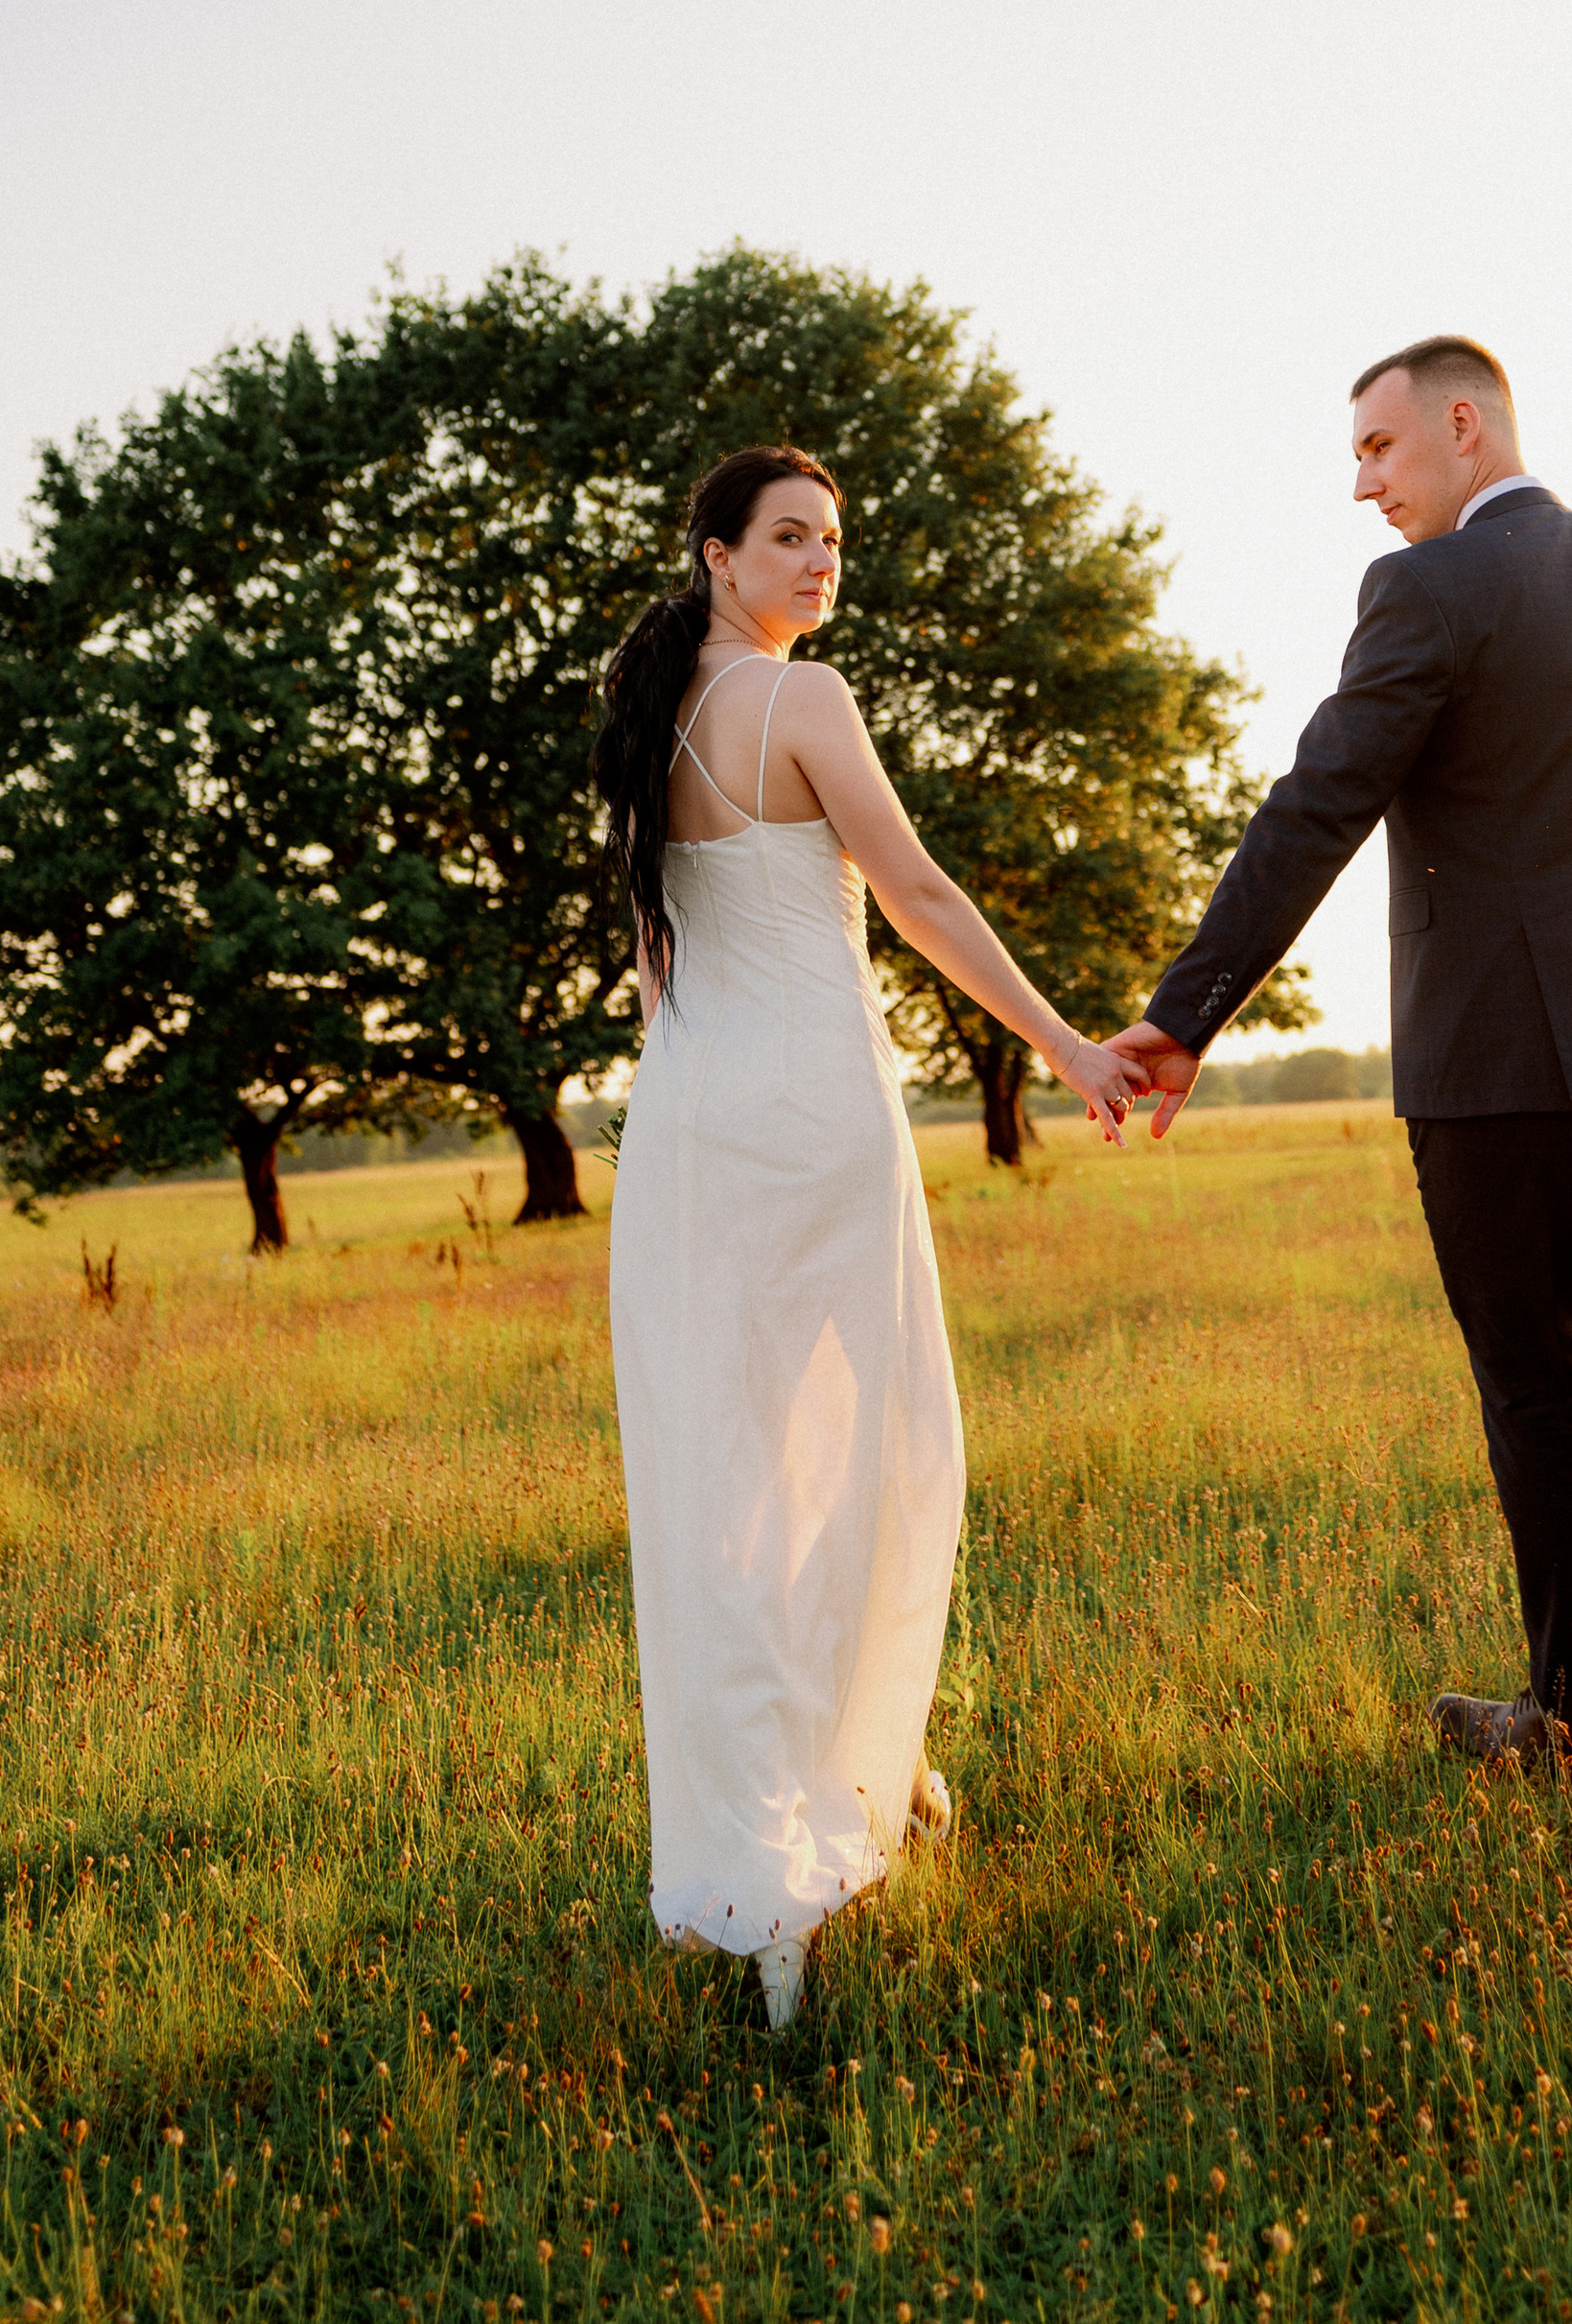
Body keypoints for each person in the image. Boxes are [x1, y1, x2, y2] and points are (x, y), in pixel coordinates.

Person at [1110, 340, 1572, 1865]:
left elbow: (1318, 806)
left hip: (1497, 1080)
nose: (1364, 485)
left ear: (1463, 424)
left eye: (1378, 447)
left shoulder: (1426, 591)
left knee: (1539, 1395)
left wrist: (1185, 1011)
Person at [593, 445, 1146, 2026]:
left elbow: (660, 962)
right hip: (816, 1120)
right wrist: (1066, 1046)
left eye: (833, 540)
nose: (821, 562)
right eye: (789, 537)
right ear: (717, 554)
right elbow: (919, 894)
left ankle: (852, 1791)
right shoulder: (804, 700)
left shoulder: (645, 724)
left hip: (688, 1129)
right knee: (878, 1455)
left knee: (732, 1486)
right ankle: (834, 1822)